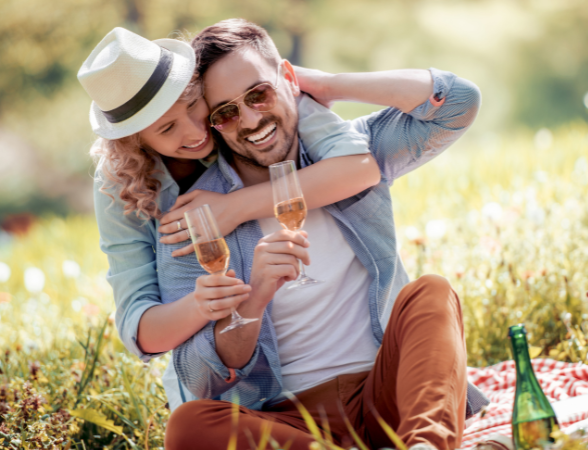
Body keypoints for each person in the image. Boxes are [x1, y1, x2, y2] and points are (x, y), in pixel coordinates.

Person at [162, 19, 488, 450]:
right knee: (189, 426)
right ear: (213, 125)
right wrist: (254, 298)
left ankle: (427, 444)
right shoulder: (197, 215)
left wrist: (330, 84)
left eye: (259, 93)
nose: (251, 118)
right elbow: (198, 376)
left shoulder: (353, 152)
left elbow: (457, 102)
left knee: (431, 293)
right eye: (226, 112)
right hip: (287, 421)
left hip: (384, 392)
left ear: (288, 79)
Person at [79, 27, 384, 411]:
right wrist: (200, 305)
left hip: (334, 359)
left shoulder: (242, 110)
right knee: (193, 425)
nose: (195, 132)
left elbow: (358, 170)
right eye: (167, 128)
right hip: (226, 378)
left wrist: (321, 83)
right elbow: (141, 331)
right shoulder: (119, 183)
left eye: (192, 105)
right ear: (136, 140)